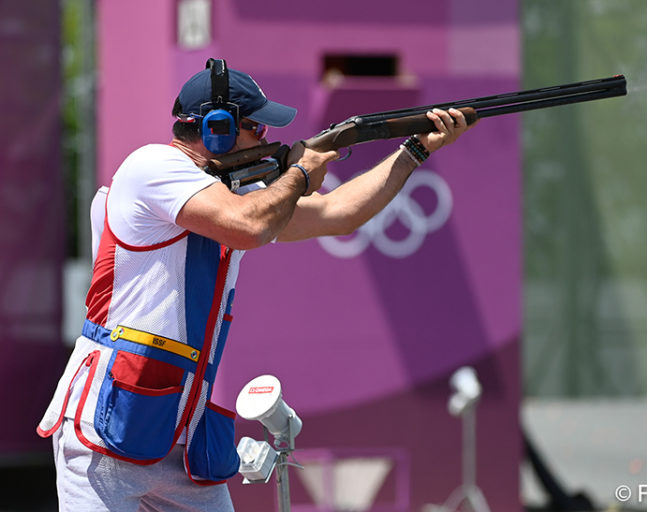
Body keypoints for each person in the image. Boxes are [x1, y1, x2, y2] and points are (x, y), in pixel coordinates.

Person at [37, 58, 472, 511]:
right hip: (108, 424)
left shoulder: (231, 194)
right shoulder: (152, 166)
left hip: (184, 434)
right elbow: (247, 226)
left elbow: (341, 213)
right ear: (218, 129)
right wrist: (300, 174)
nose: (266, 138)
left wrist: (414, 151)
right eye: (256, 128)